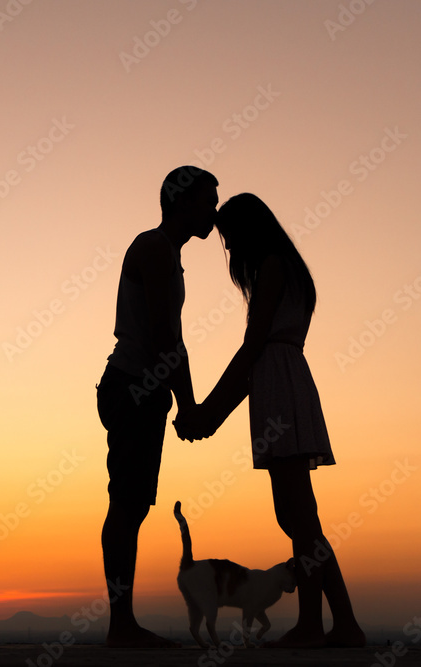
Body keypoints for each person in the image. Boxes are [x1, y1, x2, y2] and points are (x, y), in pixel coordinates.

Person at [173, 193, 366, 648]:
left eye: (230, 236)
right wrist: (210, 415)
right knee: (300, 517)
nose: (228, 248)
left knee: (298, 516)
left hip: (281, 387)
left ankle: (313, 626)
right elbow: (253, 356)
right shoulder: (282, 268)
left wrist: (207, 414)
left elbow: (252, 348)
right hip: (279, 384)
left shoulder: (274, 266)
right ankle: (345, 624)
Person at [96, 166, 218, 647]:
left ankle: (122, 623)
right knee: (126, 505)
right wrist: (188, 405)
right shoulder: (153, 248)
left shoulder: (168, 253)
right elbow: (167, 335)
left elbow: (173, 338)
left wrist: (184, 402)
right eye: (208, 200)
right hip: (132, 389)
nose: (214, 209)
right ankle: (120, 625)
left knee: (133, 505)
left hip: (144, 392)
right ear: (182, 203)